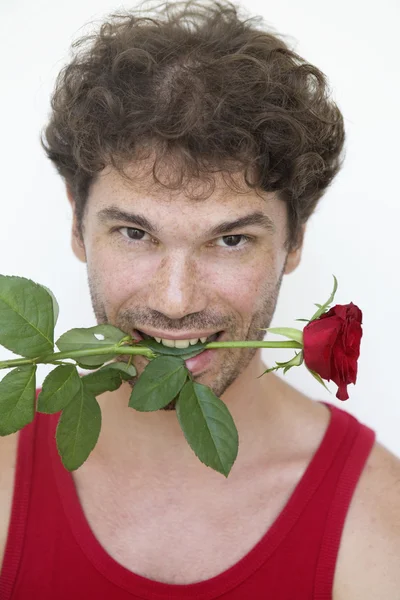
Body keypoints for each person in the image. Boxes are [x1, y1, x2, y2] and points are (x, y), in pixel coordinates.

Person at [1, 0, 399, 598]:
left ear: (295, 241)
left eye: (231, 239)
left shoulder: (380, 525)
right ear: (77, 224)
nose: (177, 298)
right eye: (135, 234)